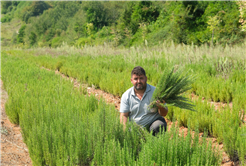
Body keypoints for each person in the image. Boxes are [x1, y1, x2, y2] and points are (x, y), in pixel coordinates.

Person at [120, 66, 168, 136]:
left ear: (146, 79)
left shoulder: (156, 92)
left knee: (159, 126)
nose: (139, 81)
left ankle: (156, 144)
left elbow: (164, 113)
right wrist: (124, 131)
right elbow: (124, 115)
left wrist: (161, 106)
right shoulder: (126, 95)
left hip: (153, 124)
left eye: (141, 78)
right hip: (135, 128)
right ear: (131, 80)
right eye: (136, 79)